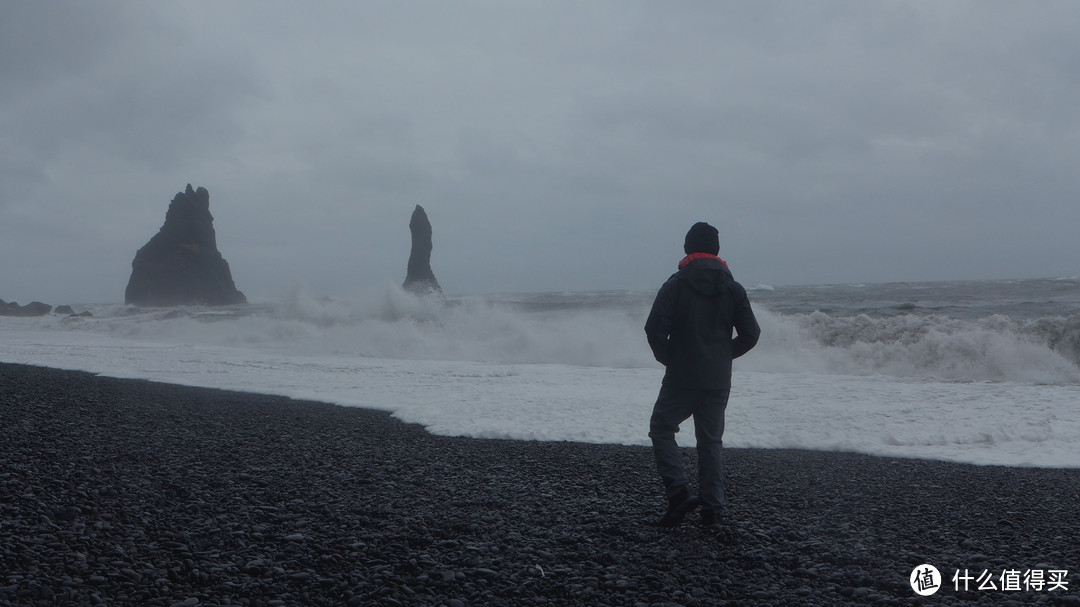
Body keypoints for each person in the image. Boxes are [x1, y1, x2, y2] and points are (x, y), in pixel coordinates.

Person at [644, 222, 760, 530]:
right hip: (717, 378)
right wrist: (721, 357)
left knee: (662, 427)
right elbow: (751, 334)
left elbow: (654, 329)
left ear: (687, 248)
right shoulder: (733, 288)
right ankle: (713, 511)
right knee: (710, 442)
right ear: (717, 251)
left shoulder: (676, 285)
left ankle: (678, 493)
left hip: (682, 375)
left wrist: (672, 359)